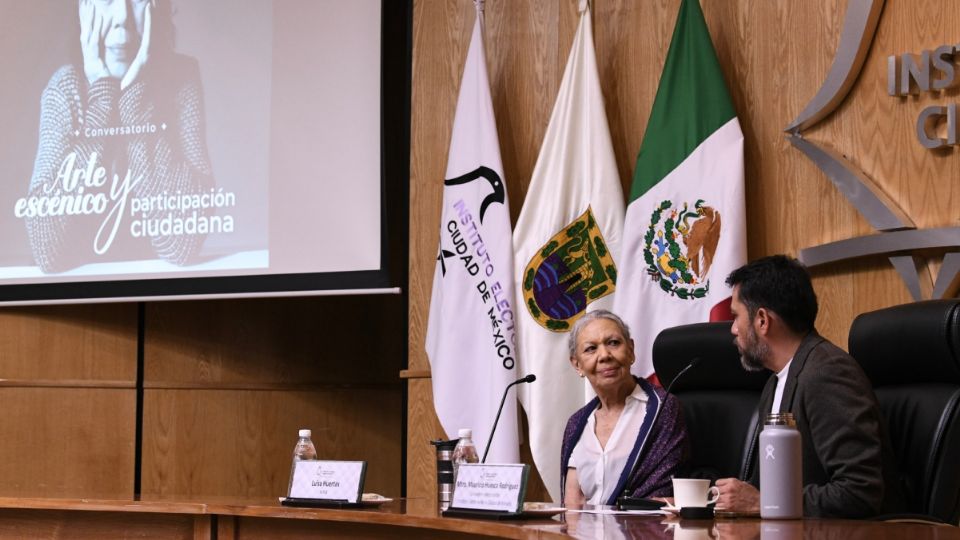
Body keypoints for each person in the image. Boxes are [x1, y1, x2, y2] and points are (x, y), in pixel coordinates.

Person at [25, 0, 214, 272]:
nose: (121, 17)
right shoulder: (65, 88)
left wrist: (134, 97)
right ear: (83, 8)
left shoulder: (181, 79)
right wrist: (103, 99)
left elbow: (181, 246)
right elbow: (48, 252)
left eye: (136, 0)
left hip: (158, 288)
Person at [714, 255, 902, 518]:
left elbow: (860, 493)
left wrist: (764, 502)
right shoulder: (775, 381)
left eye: (736, 316)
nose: (733, 329)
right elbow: (763, 492)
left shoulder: (827, 373)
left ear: (762, 320)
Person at [560, 310, 688, 506]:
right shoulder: (576, 424)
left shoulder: (662, 409)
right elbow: (572, 504)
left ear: (631, 350)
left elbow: (658, 498)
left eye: (613, 343)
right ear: (577, 365)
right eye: (591, 349)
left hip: (642, 533)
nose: (604, 355)